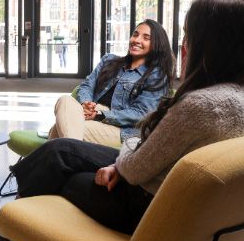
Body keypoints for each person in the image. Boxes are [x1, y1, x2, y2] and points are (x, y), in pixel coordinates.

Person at [0, 0, 244, 241]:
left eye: (190, 35)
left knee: (61, 166)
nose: (185, 44)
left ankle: (12, 228)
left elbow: (138, 166)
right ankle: (20, 231)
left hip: (144, 205)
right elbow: (150, 148)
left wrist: (119, 162)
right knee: (61, 150)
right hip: (173, 198)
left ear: (209, 44)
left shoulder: (200, 105)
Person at [48, 19, 175, 148]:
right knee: (65, 100)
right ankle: (69, 158)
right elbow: (87, 86)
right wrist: (85, 104)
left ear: (157, 44)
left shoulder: (156, 75)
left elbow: (142, 114)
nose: (136, 40)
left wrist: (100, 115)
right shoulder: (109, 60)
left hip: (123, 129)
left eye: (146, 38)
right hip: (94, 112)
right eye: (135, 34)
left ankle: (65, 155)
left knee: (61, 129)